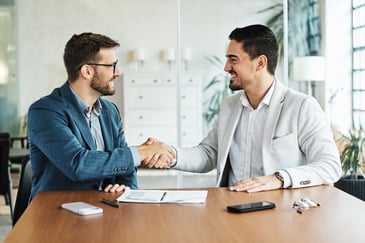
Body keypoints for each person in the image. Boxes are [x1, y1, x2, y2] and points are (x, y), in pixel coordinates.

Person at [146, 24, 342, 192]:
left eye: (233, 59)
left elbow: (330, 166)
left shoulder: (301, 106)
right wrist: (170, 153)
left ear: (260, 63)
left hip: (279, 211)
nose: (226, 67)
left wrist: (278, 178)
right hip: (231, 206)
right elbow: (209, 154)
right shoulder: (229, 105)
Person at [28, 32, 174, 201]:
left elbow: (127, 170)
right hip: (56, 214)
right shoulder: (45, 111)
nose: (117, 72)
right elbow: (77, 164)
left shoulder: (110, 111)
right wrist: (142, 152)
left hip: (104, 209)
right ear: (87, 71)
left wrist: (125, 189)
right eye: (112, 65)